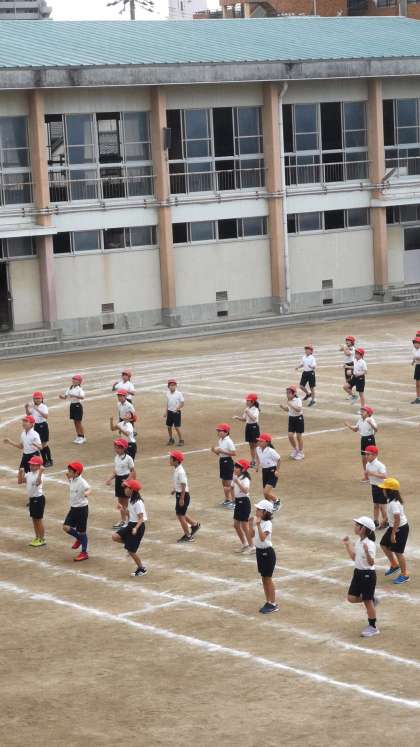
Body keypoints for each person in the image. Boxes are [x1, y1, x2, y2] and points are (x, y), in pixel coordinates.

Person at [342, 515, 379, 638]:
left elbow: (371, 563)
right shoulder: (359, 541)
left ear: (364, 529)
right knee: (351, 598)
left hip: (367, 575)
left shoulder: (370, 544)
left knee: (367, 602)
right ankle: (372, 600)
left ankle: (373, 627)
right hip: (358, 573)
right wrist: (348, 544)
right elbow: (354, 558)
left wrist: (367, 552)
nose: (355, 526)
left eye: (357, 525)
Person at [112, 479, 147, 577]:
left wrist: (136, 528)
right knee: (115, 537)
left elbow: (141, 518)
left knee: (131, 551)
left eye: (127, 488)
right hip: (131, 524)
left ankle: (142, 568)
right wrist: (122, 509)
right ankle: (129, 544)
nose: (125, 489)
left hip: (137, 526)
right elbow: (129, 514)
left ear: (132, 490)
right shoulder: (131, 500)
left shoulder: (138, 503)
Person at [378, 477, 410, 585]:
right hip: (394, 527)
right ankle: (394, 565)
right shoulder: (390, 500)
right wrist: (385, 520)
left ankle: (405, 574)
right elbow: (391, 515)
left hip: (400, 529)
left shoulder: (394, 503)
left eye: (384, 488)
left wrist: (393, 534)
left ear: (389, 490)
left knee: (398, 552)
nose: (383, 490)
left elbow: (397, 519)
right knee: (383, 544)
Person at [249, 499, 278, 614]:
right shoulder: (259, 522)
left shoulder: (267, 524)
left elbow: (262, 538)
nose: (256, 511)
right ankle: (268, 601)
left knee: (268, 579)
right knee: (263, 578)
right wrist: (250, 525)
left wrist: (257, 525)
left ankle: (273, 604)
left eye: (259, 509)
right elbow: (251, 535)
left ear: (265, 512)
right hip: (259, 552)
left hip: (267, 553)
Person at [169, 450, 200, 542]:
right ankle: (194, 525)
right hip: (180, 494)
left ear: (176, 461)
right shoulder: (177, 469)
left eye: (171, 458)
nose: (169, 460)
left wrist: (182, 498)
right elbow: (179, 483)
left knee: (180, 516)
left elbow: (183, 484)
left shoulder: (180, 471)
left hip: (183, 495)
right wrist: (175, 490)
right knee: (181, 513)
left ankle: (188, 536)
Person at [63, 461, 91, 562]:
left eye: (70, 471)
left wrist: (86, 493)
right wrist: (68, 476)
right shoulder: (72, 479)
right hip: (73, 508)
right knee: (66, 527)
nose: (68, 472)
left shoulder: (82, 482)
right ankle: (79, 538)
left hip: (81, 509)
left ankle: (84, 553)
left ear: (77, 473)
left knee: (82, 532)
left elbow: (89, 489)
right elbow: (70, 479)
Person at [106, 439, 136, 529]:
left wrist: (126, 481)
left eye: (118, 448)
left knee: (126, 503)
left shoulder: (128, 458)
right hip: (118, 480)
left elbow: (132, 472)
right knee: (120, 503)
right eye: (115, 447)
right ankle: (123, 520)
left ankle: (130, 521)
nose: (116, 449)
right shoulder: (116, 458)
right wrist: (110, 479)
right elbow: (116, 471)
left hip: (126, 480)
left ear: (123, 448)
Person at [17, 455, 46, 547]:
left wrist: (40, 472)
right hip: (32, 499)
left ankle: (42, 539)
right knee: (34, 519)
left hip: (38, 499)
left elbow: (38, 483)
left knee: (38, 520)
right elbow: (20, 481)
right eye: (31, 464)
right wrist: (20, 472)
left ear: (39, 466)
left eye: (34, 465)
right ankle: (37, 537)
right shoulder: (29, 474)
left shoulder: (40, 475)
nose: (31, 466)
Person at [345, 405, 378, 480]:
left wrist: (371, 423)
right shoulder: (360, 420)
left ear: (368, 413)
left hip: (370, 439)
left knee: (371, 458)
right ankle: (367, 475)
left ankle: (375, 474)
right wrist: (348, 425)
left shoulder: (370, 419)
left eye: (364, 410)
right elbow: (355, 429)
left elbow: (376, 429)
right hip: (363, 439)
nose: (362, 412)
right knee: (364, 459)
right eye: (362, 410)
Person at [211, 424, 236, 508]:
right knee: (224, 482)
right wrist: (214, 451)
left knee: (229, 482)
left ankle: (234, 501)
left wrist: (222, 451)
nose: (218, 432)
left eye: (220, 431)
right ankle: (227, 499)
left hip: (228, 462)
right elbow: (220, 454)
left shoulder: (229, 441)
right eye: (218, 431)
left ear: (226, 432)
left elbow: (233, 453)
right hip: (222, 461)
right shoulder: (220, 440)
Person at [25, 391, 53, 467]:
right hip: (36, 426)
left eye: (38, 398)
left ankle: (49, 460)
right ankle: (44, 461)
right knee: (39, 444)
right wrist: (26, 407)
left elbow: (46, 416)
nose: (37, 400)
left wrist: (37, 409)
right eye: (35, 398)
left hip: (43, 426)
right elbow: (28, 414)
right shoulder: (33, 406)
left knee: (44, 444)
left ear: (42, 399)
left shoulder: (44, 407)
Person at [232, 459, 254, 553]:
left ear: (243, 469)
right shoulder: (236, 477)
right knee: (236, 525)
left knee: (244, 526)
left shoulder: (245, 479)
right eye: (235, 466)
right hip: (238, 502)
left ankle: (252, 546)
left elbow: (246, 491)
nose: (235, 468)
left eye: (237, 467)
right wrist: (233, 499)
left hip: (244, 502)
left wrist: (237, 482)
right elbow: (232, 487)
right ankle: (245, 544)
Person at [255, 433, 281, 511]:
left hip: (272, 471)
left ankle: (277, 501)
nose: (259, 442)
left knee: (266, 492)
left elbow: (279, 460)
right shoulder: (258, 449)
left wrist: (277, 471)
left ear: (267, 442)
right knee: (265, 494)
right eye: (259, 441)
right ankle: (269, 507)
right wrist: (257, 465)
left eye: (261, 441)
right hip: (264, 471)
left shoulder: (271, 451)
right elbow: (257, 457)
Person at [233, 393, 260, 466]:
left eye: (248, 401)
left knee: (256, 445)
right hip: (248, 427)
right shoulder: (247, 409)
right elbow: (244, 419)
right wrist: (237, 417)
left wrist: (248, 412)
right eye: (247, 400)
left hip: (254, 427)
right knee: (251, 445)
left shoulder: (255, 409)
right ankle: (253, 461)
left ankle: (258, 461)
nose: (247, 402)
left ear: (253, 402)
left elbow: (254, 418)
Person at [364, 445, 387, 529]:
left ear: (375, 455)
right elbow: (367, 475)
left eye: (368, 454)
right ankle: (376, 521)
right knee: (375, 505)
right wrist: (366, 475)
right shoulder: (367, 464)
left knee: (382, 507)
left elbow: (384, 476)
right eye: (366, 454)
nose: (366, 456)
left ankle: (385, 522)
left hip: (382, 487)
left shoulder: (380, 465)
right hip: (374, 486)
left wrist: (373, 474)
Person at [59, 374, 85, 444]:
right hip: (72, 405)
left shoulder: (79, 389)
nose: (73, 381)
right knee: (75, 422)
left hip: (78, 405)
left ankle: (82, 437)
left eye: (75, 380)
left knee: (78, 422)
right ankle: (78, 436)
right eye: (73, 379)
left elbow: (82, 397)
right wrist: (61, 397)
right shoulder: (70, 387)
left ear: (79, 382)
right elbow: (65, 397)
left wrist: (74, 395)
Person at [280, 385, 304, 460]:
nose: (287, 394)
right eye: (287, 393)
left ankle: (301, 452)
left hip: (298, 419)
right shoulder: (289, 400)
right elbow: (288, 409)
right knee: (290, 435)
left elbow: (299, 409)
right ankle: (296, 450)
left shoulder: (298, 400)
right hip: (291, 419)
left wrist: (290, 404)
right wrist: (283, 407)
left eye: (289, 393)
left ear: (294, 393)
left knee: (298, 436)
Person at [165, 379, 184, 446]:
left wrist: (177, 409)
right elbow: (167, 403)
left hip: (176, 413)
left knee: (177, 427)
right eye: (170, 385)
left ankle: (181, 440)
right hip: (169, 412)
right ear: (168, 386)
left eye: (173, 385)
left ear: (176, 386)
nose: (172, 386)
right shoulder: (167, 393)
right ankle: (171, 439)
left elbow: (182, 403)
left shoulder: (179, 394)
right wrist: (166, 412)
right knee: (169, 426)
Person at [411, 337, 420, 404]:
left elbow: (417, 357)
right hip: (418, 366)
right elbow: (415, 356)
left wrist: (417, 358)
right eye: (414, 343)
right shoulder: (414, 349)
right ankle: (418, 398)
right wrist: (413, 361)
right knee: (417, 384)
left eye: (416, 343)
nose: (415, 344)